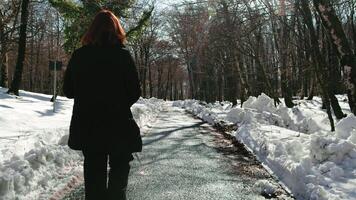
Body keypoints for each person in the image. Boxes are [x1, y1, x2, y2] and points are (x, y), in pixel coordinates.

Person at [63, 9, 141, 200]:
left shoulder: (79, 56)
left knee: (94, 182)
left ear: (92, 30)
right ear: (117, 30)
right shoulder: (123, 56)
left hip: (89, 126)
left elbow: (69, 91)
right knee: (118, 182)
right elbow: (134, 92)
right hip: (119, 126)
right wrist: (118, 103)